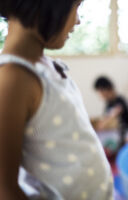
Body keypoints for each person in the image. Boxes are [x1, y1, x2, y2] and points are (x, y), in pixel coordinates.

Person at [0, 0, 113, 199]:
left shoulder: (47, 67)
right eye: (75, 6)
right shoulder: (11, 79)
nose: (77, 21)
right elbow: (5, 189)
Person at [94, 76, 128, 147]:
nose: (100, 95)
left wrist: (103, 124)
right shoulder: (108, 105)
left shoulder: (119, 101)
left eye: (101, 91)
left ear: (107, 88)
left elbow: (113, 114)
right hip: (117, 134)